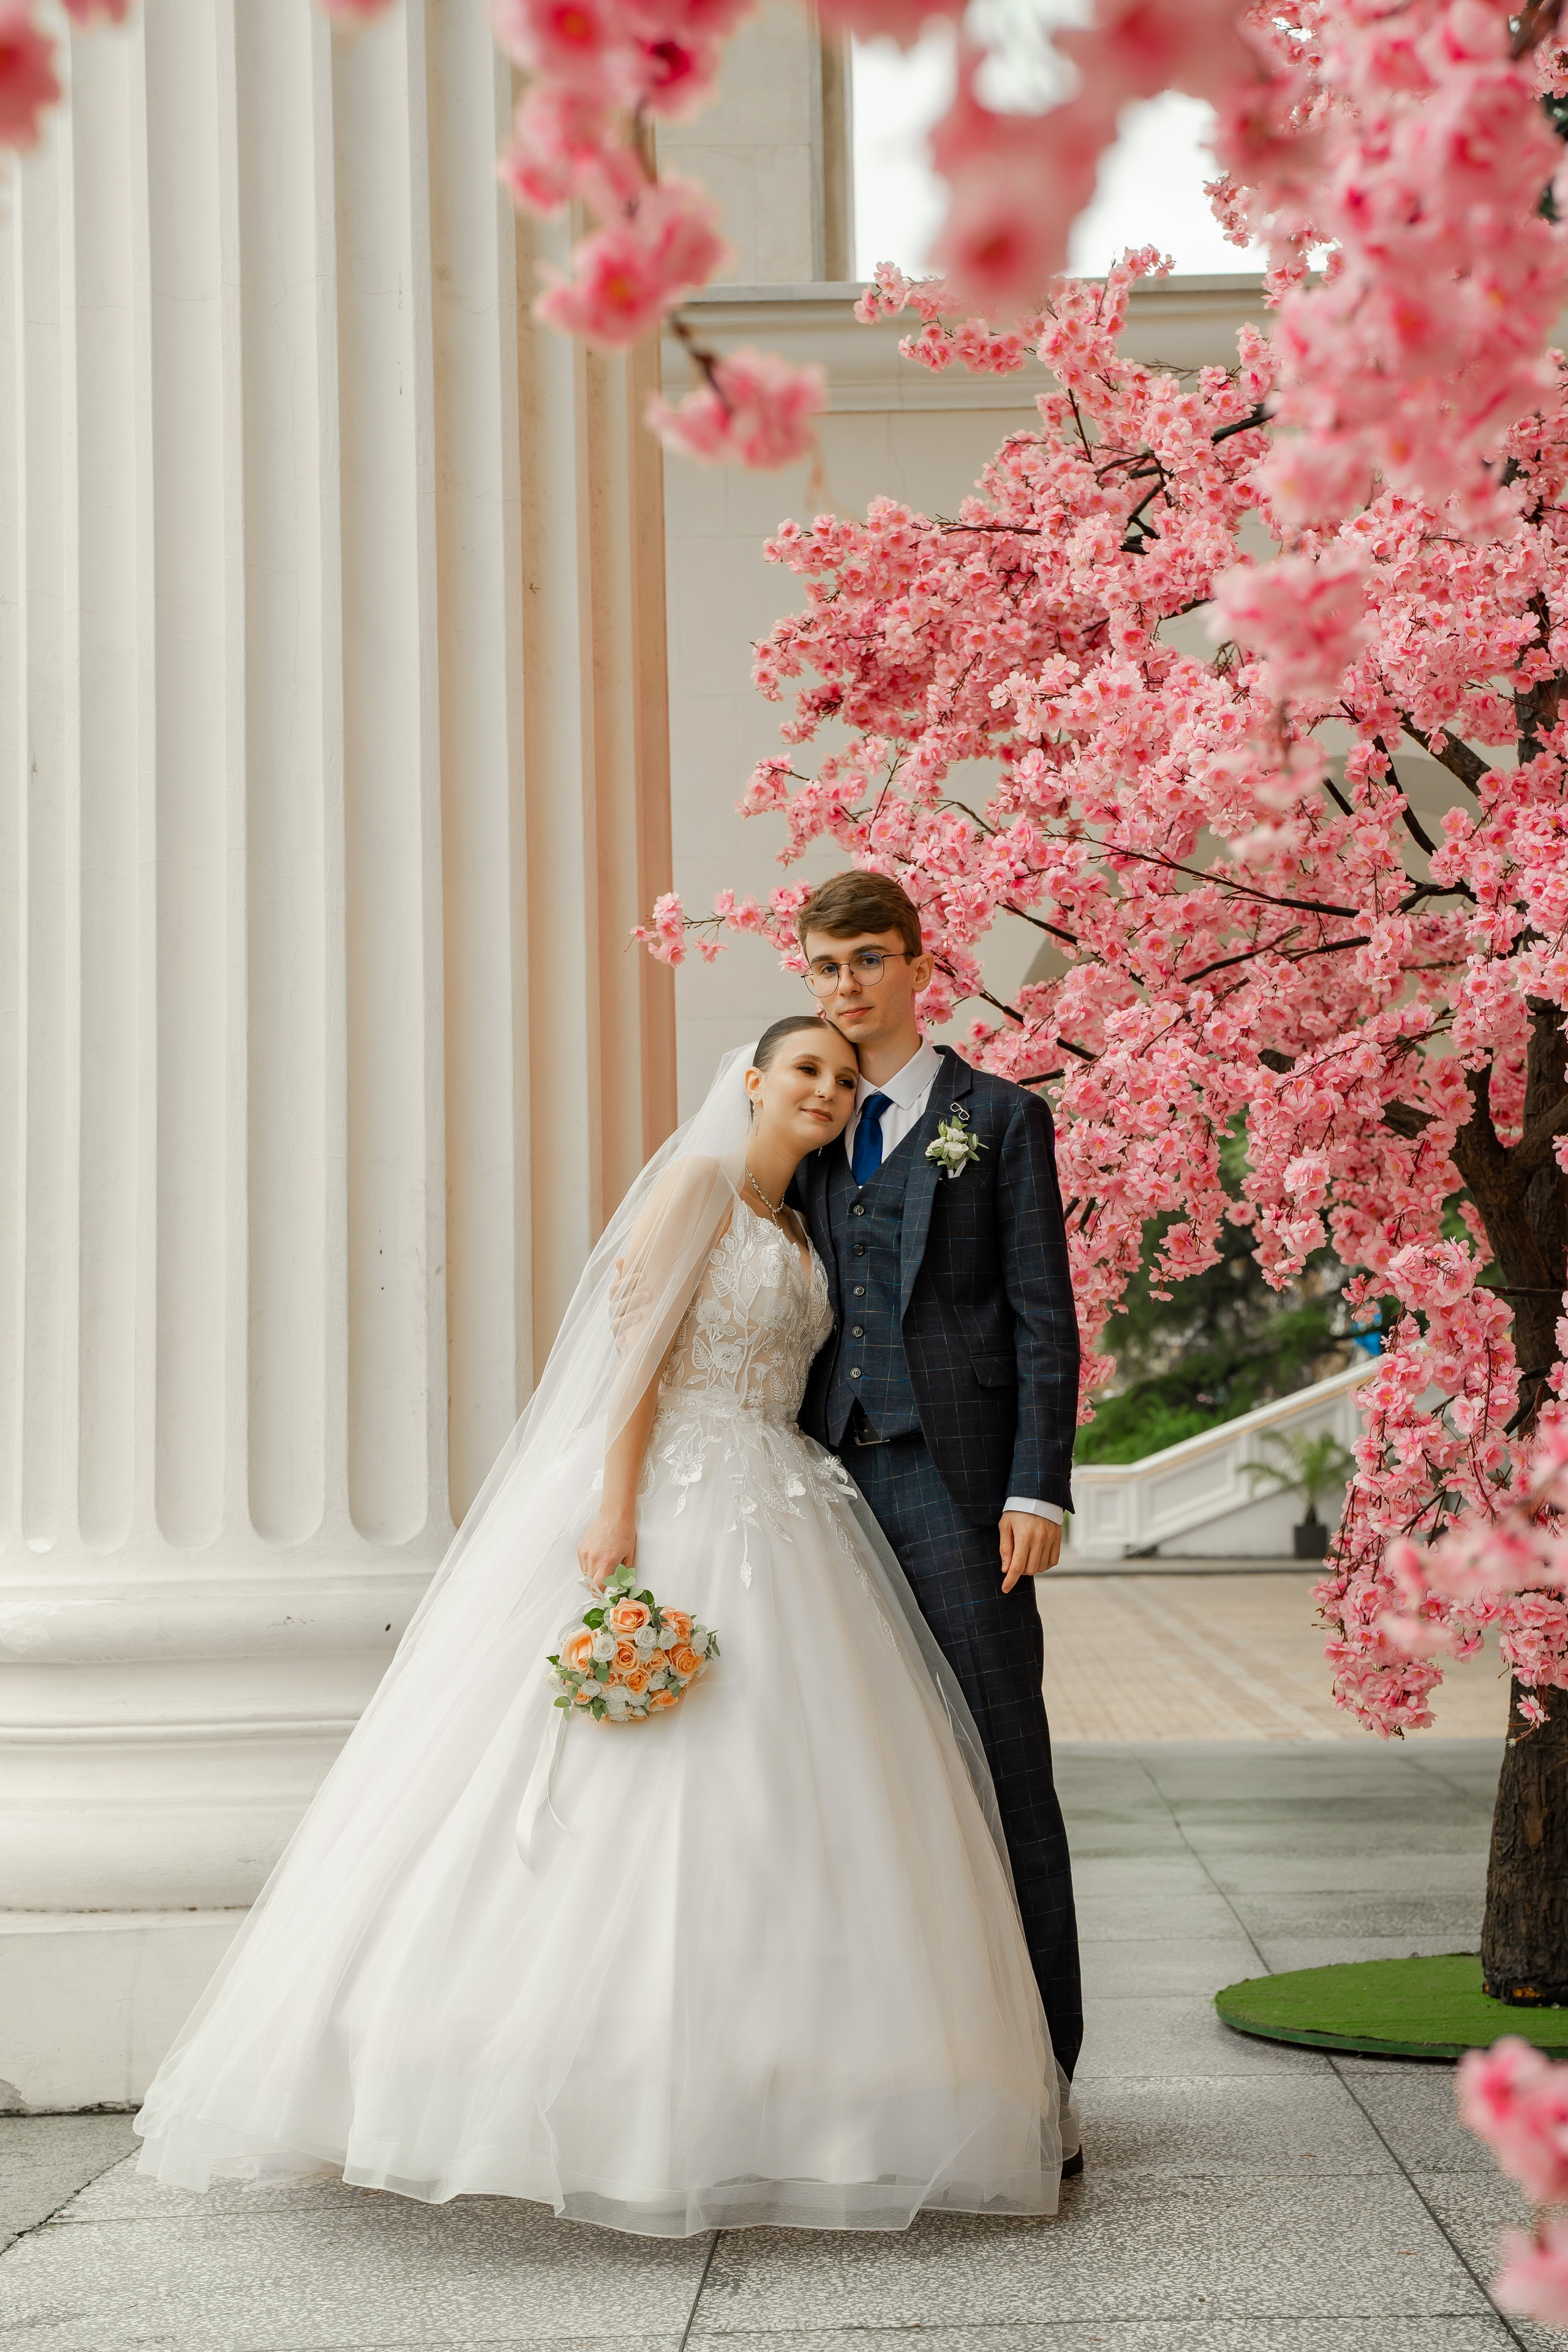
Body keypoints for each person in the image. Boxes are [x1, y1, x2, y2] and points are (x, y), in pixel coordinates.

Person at [134, 1016, 1071, 2236]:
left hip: (785, 1501)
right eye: (806, 1071)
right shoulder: (693, 1188)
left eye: (845, 1080)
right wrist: (616, 1509)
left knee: (792, 1793)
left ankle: (785, 2087)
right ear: (751, 1081)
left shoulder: (801, 1226)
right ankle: (552, 2082)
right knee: (627, 1775)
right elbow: (631, 1360)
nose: (831, 1092)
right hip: (675, 1492)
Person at [790, 871, 1085, 2111]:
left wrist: (1037, 1488)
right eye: (822, 967)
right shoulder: (803, 1122)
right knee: (849, 1778)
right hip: (813, 1488)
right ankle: (896, 2068)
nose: (844, 988)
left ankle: (1043, 2074)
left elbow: (1040, 1321)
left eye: (864, 960)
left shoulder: (998, 1118)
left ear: (920, 963)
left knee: (1002, 1763)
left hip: (955, 1488)